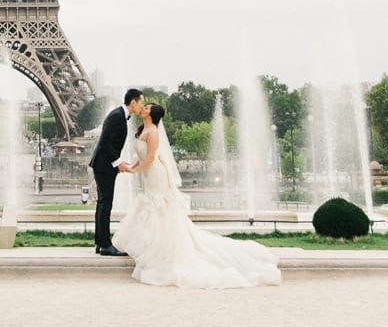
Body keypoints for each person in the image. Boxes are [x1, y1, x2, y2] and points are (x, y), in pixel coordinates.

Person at [113, 103, 281, 288]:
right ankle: (154, 247)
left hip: (156, 175)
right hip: (149, 175)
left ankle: (160, 249)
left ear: (152, 115)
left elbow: (151, 158)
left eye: (147, 108)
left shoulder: (152, 132)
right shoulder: (145, 129)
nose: (143, 109)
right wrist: (132, 168)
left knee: (158, 210)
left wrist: (134, 170)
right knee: (155, 211)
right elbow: (144, 158)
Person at [88, 88, 144, 256]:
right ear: (133, 102)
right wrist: (117, 162)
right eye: (141, 102)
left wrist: (119, 162)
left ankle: (100, 242)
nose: (141, 106)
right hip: (104, 166)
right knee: (106, 204)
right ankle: (105, 245)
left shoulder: (118, 115)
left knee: (102, 204)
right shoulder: (117, 116)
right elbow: (105, 142)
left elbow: (108, 143)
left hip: (103, 164)